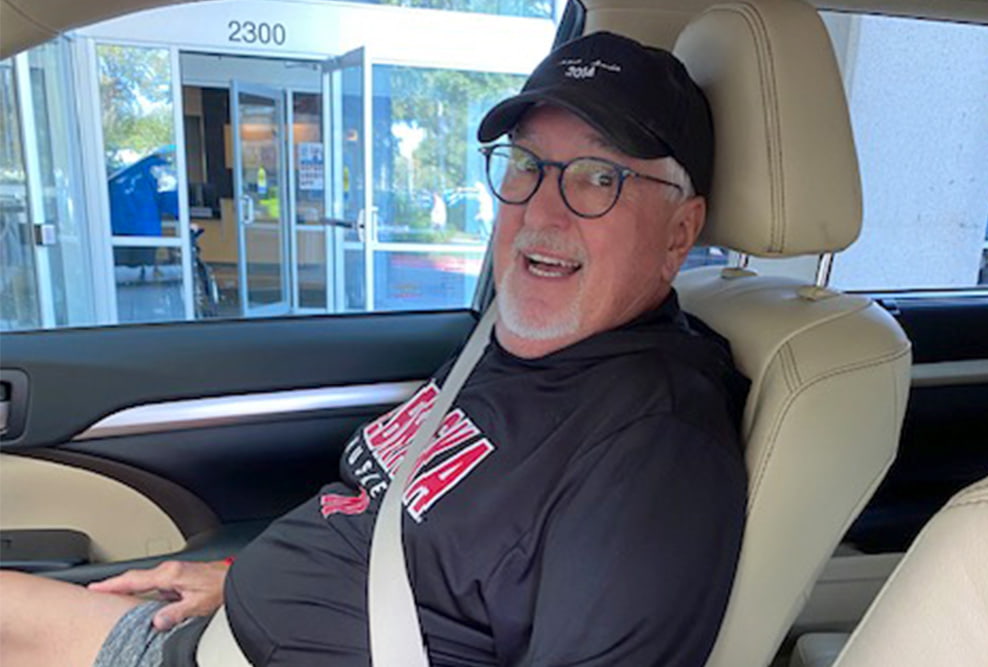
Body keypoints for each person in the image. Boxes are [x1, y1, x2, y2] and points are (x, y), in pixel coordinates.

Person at [0, 31, 747, 666]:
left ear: (681, 230)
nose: (539, 210)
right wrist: (241, 579)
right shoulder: (517, 338)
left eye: (597, 177)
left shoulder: (655, 445)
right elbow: (395, 521)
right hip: (217, 631)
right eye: (525, 165)